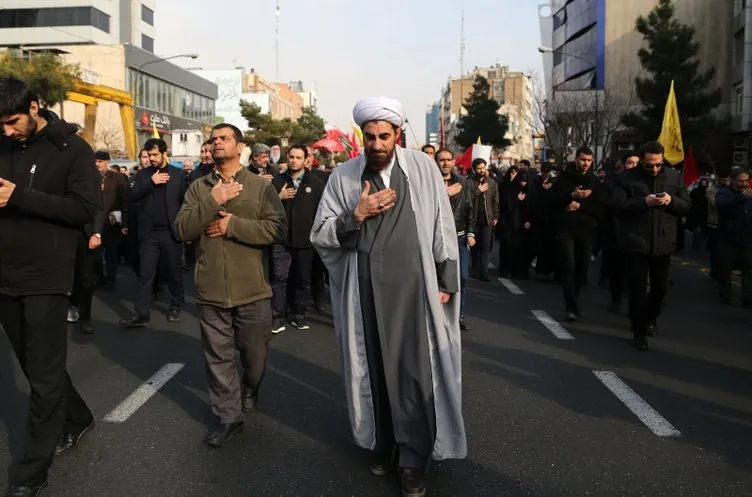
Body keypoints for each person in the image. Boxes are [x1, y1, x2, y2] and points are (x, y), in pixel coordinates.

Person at [311, 97, 466, 497]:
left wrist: (446, 280)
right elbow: (320, 233)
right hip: (363, 292)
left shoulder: (422, 167)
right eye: (370, 136)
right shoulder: (343, 177)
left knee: (414, 373)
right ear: (361, 136)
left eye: (384, 136)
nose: (377, 144)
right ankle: (384, 444)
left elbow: (441, 225)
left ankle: (414, 458)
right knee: (374, 371)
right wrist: (355, 215)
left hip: (414, 290)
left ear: (397, 134)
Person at [0, 77, 97, 497]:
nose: (7, 131)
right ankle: (77, 417)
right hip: (5, 276)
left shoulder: (72, 149)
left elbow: (83, 209)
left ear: (35, 107)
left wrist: (20, 196)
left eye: (12, 121)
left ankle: (31, 472)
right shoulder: (2, 145)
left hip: (48, 277)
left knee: (41, 376)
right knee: (36, 364)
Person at [175, 123, 286, 447]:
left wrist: (232, 225)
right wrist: (214, 200)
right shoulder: (199, 188)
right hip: (210, 290)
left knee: (255, 356)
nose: (216, 143)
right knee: (218, 358)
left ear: (240, 147)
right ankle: (228, 416)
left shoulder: (260, 186)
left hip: (252, 289)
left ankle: (250, 387)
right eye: (213, 139)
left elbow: (277, 229)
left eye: (224, 138)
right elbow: (182, 228)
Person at [612, 141, 691, 351]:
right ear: (641, 161)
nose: (654, 169)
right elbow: (617, 205)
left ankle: (650, 318)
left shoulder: (674, 177)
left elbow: (687, 205)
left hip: (663, 243)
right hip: (636, 242)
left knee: (660, 289)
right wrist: (642, 202)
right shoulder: (625, 179)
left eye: (658, 164)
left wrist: (671, 201)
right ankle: (638, 332)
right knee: (637, 290)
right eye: (649, 165)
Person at [120, 138, 187, 327]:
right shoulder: (143, 175)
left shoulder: (179, 174)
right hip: (148, 234)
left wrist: (185, 229)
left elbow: (185, 202)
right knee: (145, 273)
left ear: (165, 154)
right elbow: (130, 197)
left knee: (174, 272)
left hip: (170, 232)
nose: (151, 158)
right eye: (148, 155)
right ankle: (141, 314)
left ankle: (176, 304)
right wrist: (151, 183)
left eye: (155, 154)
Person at [271, 145, 325, 330]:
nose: (294, 160)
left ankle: (298, 314)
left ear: (305, 160)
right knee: (279, 278)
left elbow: (322, 210)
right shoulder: (277, 181)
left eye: (298, 157)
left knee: (302, 279)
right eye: (291, 157)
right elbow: (266, 208)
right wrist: (279, 197)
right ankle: (278, 316)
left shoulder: (316, 183)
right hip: (281, 239)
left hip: (305, 240)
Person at [549, 147, 606, 321]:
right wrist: (570, 196)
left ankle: (575, 297)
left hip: (586, 229)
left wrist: (581, 206)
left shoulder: (594, 181)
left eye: (589, 160)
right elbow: (551, 202)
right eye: (583, 159)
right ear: (576, 159)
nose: (586, 163)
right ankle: (571, 305)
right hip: (565, 229)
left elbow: (601, 206)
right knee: (568, 265)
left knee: (582, 268)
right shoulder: (563, 179)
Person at [435, 148, 476, 331]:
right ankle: (438, 316)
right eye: (441, 160)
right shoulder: (430, 181)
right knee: (439, 279)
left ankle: (459, 314)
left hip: (459, 239)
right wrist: (443, 194)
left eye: (448, 159)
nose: (445, 163)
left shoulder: (463, 182)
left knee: (463, 278)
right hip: (436, 239)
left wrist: (471, 233)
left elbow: (470, 209)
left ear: (453, 161)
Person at [715, 168, 752, 306]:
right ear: (733, 180)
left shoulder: (750, 195)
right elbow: (723, 206)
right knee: (725, 269)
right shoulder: (724, 194)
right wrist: (742, 197)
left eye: (746, 180)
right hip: (728, 240)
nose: (744, 184)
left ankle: (748, 297)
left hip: (747, 240)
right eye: (741, 181)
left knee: (748, 270)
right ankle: (725, 295)